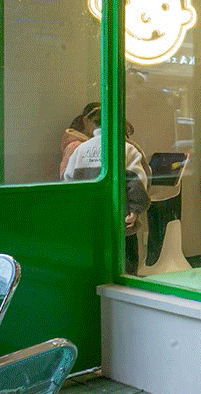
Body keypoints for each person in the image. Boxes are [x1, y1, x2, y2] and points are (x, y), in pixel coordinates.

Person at [63, 111, 151, 274]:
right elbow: (138, 182)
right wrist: (135, 209)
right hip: (120, 222)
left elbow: (68, 182)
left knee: (95, 269)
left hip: (89, 221)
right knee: (125, 269)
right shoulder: (126, 148)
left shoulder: (81, 149)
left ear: (94, 126)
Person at [59, 101, 99, 179]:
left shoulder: (82, 144)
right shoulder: (75, 146)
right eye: (98, 122)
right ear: (87, 121)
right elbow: (65, 178)